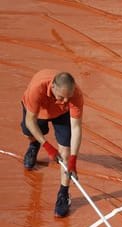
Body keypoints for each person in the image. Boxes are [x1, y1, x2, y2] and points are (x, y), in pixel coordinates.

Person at [21, 70, 83, 217]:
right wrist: (47, 146)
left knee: (65, 153)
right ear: (53, 87)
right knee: (29, 131)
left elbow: (76, 128)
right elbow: (30, 121)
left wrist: (73, 159)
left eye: (69, 97)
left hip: (62, 114)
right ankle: (34, 145)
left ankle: (63, 193)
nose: (66, 101)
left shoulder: (75, 96)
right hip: (38, 113)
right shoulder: (37, 89)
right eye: (62, 97)